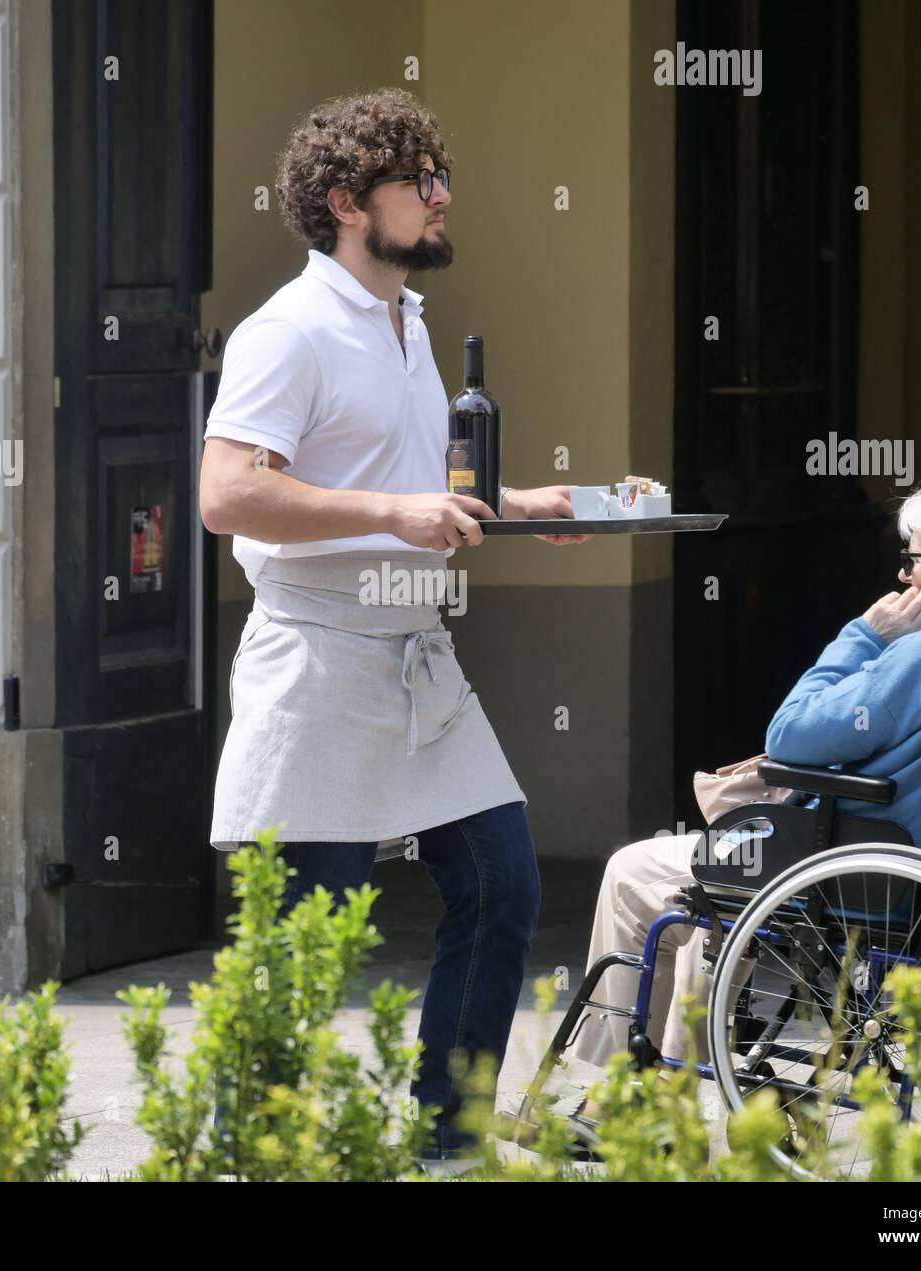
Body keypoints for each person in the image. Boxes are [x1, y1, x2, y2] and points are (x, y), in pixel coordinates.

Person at [199, 87, 590, 1170]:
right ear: (342, 201)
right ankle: (258, 1162)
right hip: (318, 664)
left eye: (441, 174)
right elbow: (226, 494)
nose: (438, 194)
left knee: (503, 882)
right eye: (414, 179)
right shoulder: (291, 330)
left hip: (418, 662)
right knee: (301, 947)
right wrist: (395, 515)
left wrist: (520, 509)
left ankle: (446, 1139)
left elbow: (413, 484)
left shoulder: (403, 322)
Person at [569, 465, 921, 1075]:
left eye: (914, 559)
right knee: (709, 891)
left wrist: (865, 634)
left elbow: (790, 735)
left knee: (631, 868)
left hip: (861, 870)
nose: (905, 574)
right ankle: (663, 1084)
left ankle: (609, 1080)